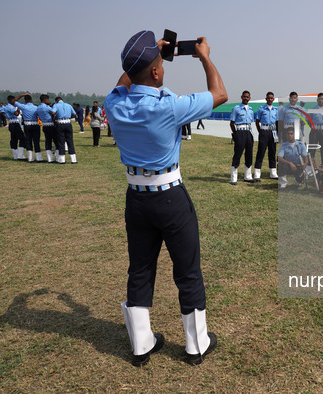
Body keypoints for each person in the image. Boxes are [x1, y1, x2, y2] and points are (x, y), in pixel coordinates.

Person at [105, 30, 227, 367]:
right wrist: (204, 56)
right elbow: (220, 94)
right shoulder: (168, 106)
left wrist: (143, 57)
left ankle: (142, 343)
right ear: (157, 72)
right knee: (187, 270)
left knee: (140, 268)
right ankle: (195, 344)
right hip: (170, 197)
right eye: (159, 65)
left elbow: (126, 80)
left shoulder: (114, 103)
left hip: (136, 199)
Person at [229, 91, 255, 184]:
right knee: (238, 154)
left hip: (249, 132)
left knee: (249, 154)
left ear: (249, 98)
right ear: (241, 97)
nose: (246, 98)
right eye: (244, 96)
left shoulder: (251, 110)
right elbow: (232, 123)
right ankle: (233, 178)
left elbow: (251, 122)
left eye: (247, 97)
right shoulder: (236, 108)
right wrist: (235, 134)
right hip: (240, 131)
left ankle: (247, 176)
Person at [254, 91, 279, 181]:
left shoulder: (276, 110)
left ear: (273, 99)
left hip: (273, 132)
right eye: (268, 98)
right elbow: (257, 122)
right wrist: (260, 131)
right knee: (261, 152)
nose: (270, 99)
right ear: (266, 99)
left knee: (272, 152)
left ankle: (273, 173)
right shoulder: (261, 109)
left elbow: (277, 122)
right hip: (264, 131)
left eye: (271, 98)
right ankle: (257, 174)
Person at [14, 93, 43, 162]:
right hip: (35, 124)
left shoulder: (23, 107)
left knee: (28, 141)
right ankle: (39, 158)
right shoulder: (36, 108)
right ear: (32, 100)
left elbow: (14, 101)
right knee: (36, 141)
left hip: (27, 124)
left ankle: (30, 158)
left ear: (24, 100)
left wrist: (22, 95)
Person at [52, 96, 77, 164]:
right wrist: (69, 117)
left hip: (60, 123)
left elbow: (53, 113)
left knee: (61, 142)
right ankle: (73, 159)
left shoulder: (56, 105)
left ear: (56, 101)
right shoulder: (68, 105)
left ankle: (62, 159)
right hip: (68, 123)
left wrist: (53, 119)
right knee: (70, 141)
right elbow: (75, 114)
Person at [4, 95, 27, 160]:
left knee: (14, 140)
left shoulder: (9, 106)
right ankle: (20, 155)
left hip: (11, 123)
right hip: (14, 123)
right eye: (13, 100)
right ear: (9, 100)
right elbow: (16, 114)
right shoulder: (10, 107)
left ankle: (15, 155)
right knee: (22, 139)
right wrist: (18, 110)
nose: (14, 101)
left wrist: (22, 95)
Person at [37, 95, 58, 162]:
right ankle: (58, 157)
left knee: (48, 142)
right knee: (56, 141)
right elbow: (53, 112)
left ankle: (49, 158)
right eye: (48, 100)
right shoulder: (46, 107)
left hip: (44, 125)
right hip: (51, 125)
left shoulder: (38, 107)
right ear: (45, 100)